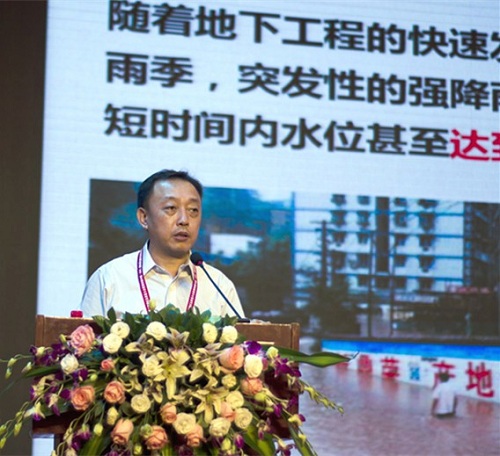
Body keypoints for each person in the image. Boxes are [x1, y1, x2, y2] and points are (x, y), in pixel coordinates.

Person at [80, 169, 245, 319]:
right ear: (144, 218)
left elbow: (242, 341)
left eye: (193, 210)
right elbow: (84, 340)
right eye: (171, 208)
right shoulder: (110, 278)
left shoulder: (219, 286)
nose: (184, 220)